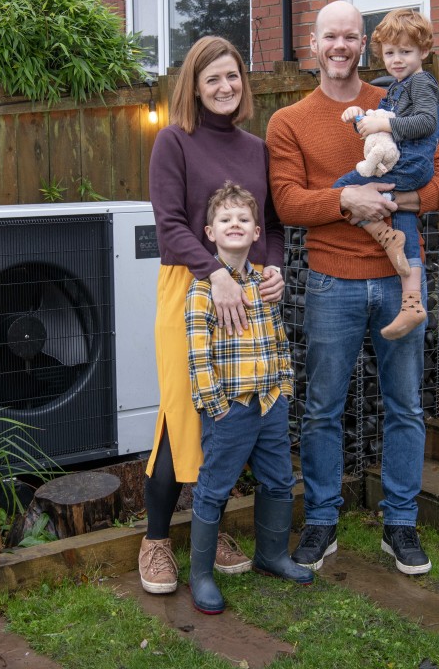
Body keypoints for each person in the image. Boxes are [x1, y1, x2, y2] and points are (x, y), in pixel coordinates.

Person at [265, 1, 439, 576]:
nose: (340, 46)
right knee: (323, 408)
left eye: (351, 36)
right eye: (331, 36)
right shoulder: (290, 122)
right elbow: (287, 203)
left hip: (400, 280)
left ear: (364, 45)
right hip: (331, 283)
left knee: (405, 407)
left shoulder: (397, 99)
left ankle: (400, 524)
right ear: (314, 41)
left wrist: (395, 201)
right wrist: (346, 199)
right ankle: (322, 519)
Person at [139, 36, 286, 595]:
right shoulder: (174, 141)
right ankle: (155, 540)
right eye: (213, 79)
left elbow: (264, 226)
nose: (225, 87)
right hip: (190, 289)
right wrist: (216, 274)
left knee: (234, 411)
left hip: (245, 292)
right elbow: (170, 225)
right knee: (185, 409)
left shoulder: (255, 148)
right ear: (194, 88)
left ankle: (211, 530)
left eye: (233, 77)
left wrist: (269, 269)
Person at [185, 182, 313, 614]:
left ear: (257, 233)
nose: (235, 225)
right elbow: (198, 357)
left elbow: (279, 341)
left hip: (270, 402)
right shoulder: (203, 290)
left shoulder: (264, 285)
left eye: (243, 219)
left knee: (279, 479)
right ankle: (200, 574)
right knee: (214, 488)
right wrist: (216, 408)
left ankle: (271, 555)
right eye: (226, 220)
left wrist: (284, 388)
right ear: (210, 232)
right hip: (231, 410)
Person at [334, 9, 439, 340]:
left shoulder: (421, 82)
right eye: (390, 52)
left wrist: (383, 123)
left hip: (409, 165)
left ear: (423, 51)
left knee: (341, 189)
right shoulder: (398, 86)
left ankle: (382, 235)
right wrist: (361, 116)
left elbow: (424, 122)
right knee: (404, 219)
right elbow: (382, 125)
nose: (396, 60)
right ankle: (412, 303)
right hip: (406, 165)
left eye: (405, 52)